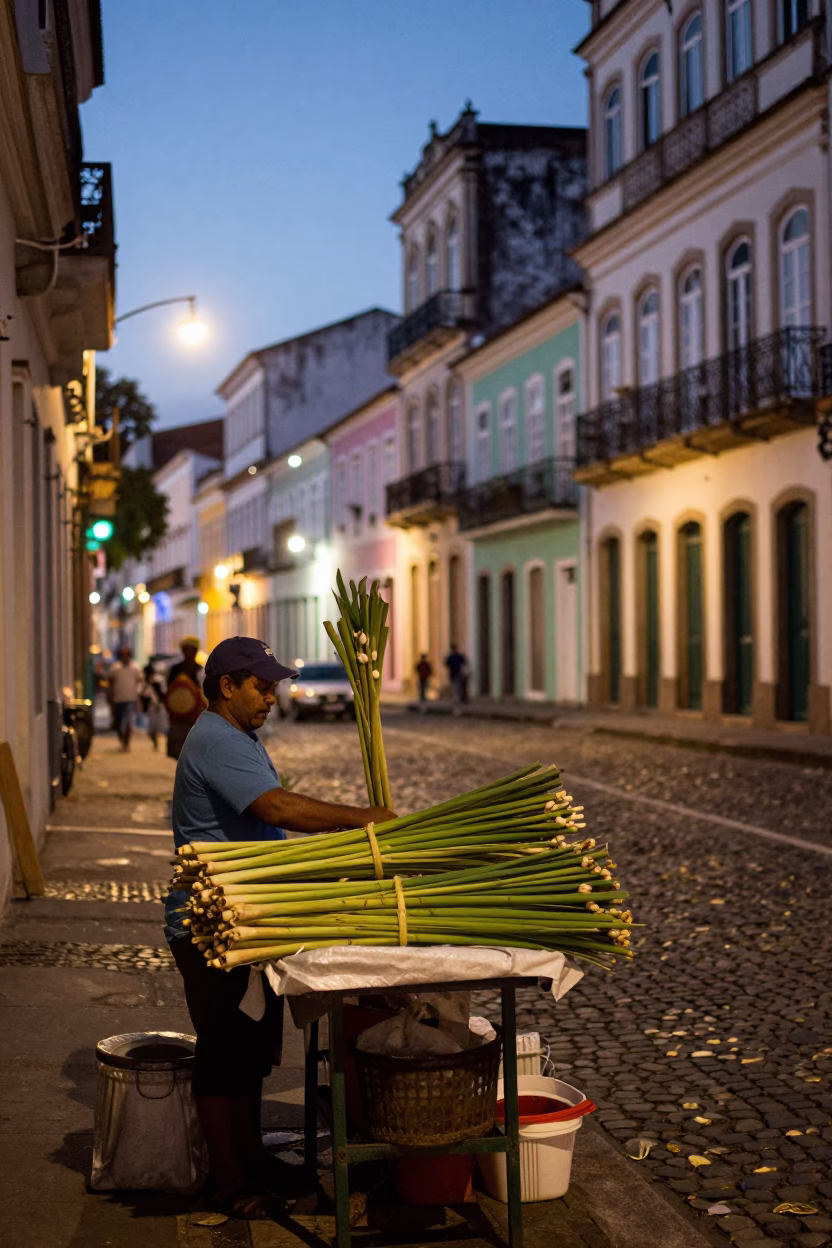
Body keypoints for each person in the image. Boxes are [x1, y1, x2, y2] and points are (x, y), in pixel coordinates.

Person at [165, 636, 395, 1220]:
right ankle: (227, 1180)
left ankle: (250, 1161)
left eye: (275, 686)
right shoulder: (216, 737)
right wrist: (366, 823)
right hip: (213, 923)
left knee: (249, 1053)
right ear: (227, 687)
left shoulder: (237, 735)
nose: (273, 696)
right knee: (223, 1051)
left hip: (247, 919)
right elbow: (278, 810)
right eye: (261, 686)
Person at [165, 635, 207, 760]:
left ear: (196, 651)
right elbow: (170, 690)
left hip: (195, 715)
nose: (189, 652)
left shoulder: (201, 670)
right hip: (177, 716)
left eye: (191, 649)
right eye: (186, 649)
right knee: (178, 748)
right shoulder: (175, 669)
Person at [107, 645, 144, 752]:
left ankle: (126, 743)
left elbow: (140, 680)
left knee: (129, 722)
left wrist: (138, 693)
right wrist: (110, 696)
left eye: (126, 655)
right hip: (118, 699)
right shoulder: (115, 668)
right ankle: (122, 740)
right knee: (118, 722)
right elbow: (110, 682)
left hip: (131, 699)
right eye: (123, 655)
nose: (125, 657)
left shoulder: (135, 668)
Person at [143, 659, 167, 751]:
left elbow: (163, 693)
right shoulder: (148, 683)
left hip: (159, 706)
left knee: (158, 728)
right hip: (154, 706)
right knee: (153, 729)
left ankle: (157, 745)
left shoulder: (158, 680)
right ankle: (156, 744)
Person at [444, 643, 469, 715]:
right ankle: (458, 703)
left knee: (455, 689)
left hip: (453, 675)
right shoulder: (459, 656)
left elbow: (446, 664)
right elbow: (465, 662)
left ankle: (456, 702)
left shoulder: (450, 657)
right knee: (458, 689)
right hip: (459, 675)